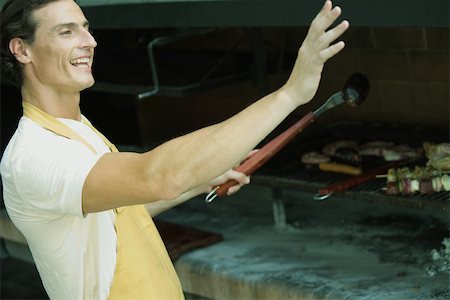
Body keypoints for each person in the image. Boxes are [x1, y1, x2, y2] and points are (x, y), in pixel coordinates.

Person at [0, 0, 349, 299]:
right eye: (66, 31)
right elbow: (157, 177)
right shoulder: (33, 154)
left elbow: (117, 215)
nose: (89, 41)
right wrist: (289, 94)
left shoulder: (77, 131)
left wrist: (199, 181)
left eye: (86, 28)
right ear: (22, 50)